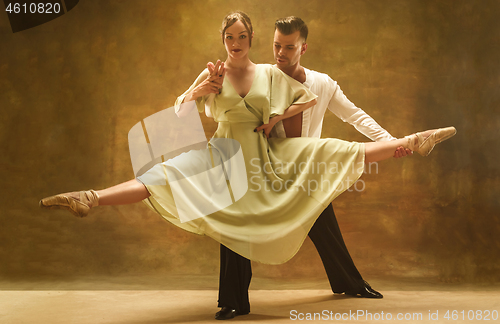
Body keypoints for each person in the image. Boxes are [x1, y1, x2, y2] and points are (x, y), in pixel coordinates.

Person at [39, 11, 456, 317]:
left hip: (269, 159)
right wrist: (196, 91)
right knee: (162, 178)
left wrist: (275, 118)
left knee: (338, 150)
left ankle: (411, 143)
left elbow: (308, 97)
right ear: (224, 40)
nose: (236, 44)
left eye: (242, 37)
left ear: (251, 39)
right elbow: (179, 116)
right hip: (223, 156)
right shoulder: (213, 74)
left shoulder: (272, 76)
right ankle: (89, 198)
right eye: (229, 38)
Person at [214, 15, 414, 320]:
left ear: (303, 48)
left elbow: (355, 116)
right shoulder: (261, 78)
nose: (280, 53)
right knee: (237, 223)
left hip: (307, 169)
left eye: (289, 47)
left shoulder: (322, 83)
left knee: (323, 223)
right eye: (276, 45)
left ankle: (350, 283)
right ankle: (232, 300)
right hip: (266, 167)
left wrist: (391, 142)